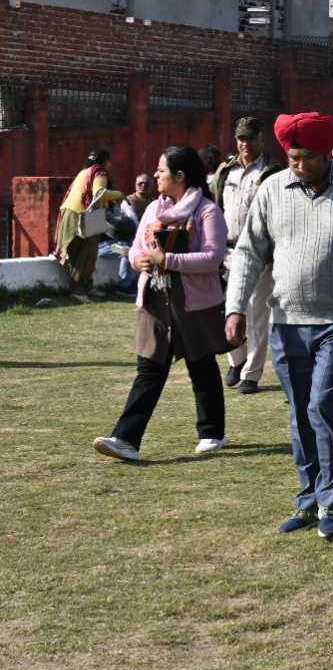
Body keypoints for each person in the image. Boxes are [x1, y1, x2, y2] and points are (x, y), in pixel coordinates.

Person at [228, 113, 333, 539]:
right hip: (286, 323)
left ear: (327, 153)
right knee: (299, 414)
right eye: (292, 158)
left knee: (323, 407)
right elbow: (249, 251)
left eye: (307, 158)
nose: (298, 165)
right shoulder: (272, 189)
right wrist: (235, 308)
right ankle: (308, 498)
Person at [93, 147, 229, 462]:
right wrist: (138, 259)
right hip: (155, 300)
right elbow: (136, 247)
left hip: (193, 303)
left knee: (202, 366)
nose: (156, 175)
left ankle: (212, 431)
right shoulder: (154, 208)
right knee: (149, 370)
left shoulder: (207, 211)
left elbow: (212, 258)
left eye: (161, 170)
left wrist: (168, 260)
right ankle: (126, 439)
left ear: (180, 176)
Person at [216, 118, 283, 397]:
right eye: (240, 138)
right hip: (229, 249)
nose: (244, 143)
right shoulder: (226, 171)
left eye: (250, 138)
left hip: (259, 252)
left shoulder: (272, 172)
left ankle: (251, 374)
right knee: (228, 308)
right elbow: (217, 206)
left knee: (256, 313)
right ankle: (237, 358)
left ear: (261, 139)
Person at [55, 147, 124, 294]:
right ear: (104, 161)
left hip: (71, 213)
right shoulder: (100, 172)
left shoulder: (84, 172)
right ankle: (78, 291)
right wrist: (119, 194)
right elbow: (99, 193)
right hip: (85, 215)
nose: (110, 164)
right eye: (109, 161)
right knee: (85, 254)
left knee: (81, 253)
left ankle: (87, 287)